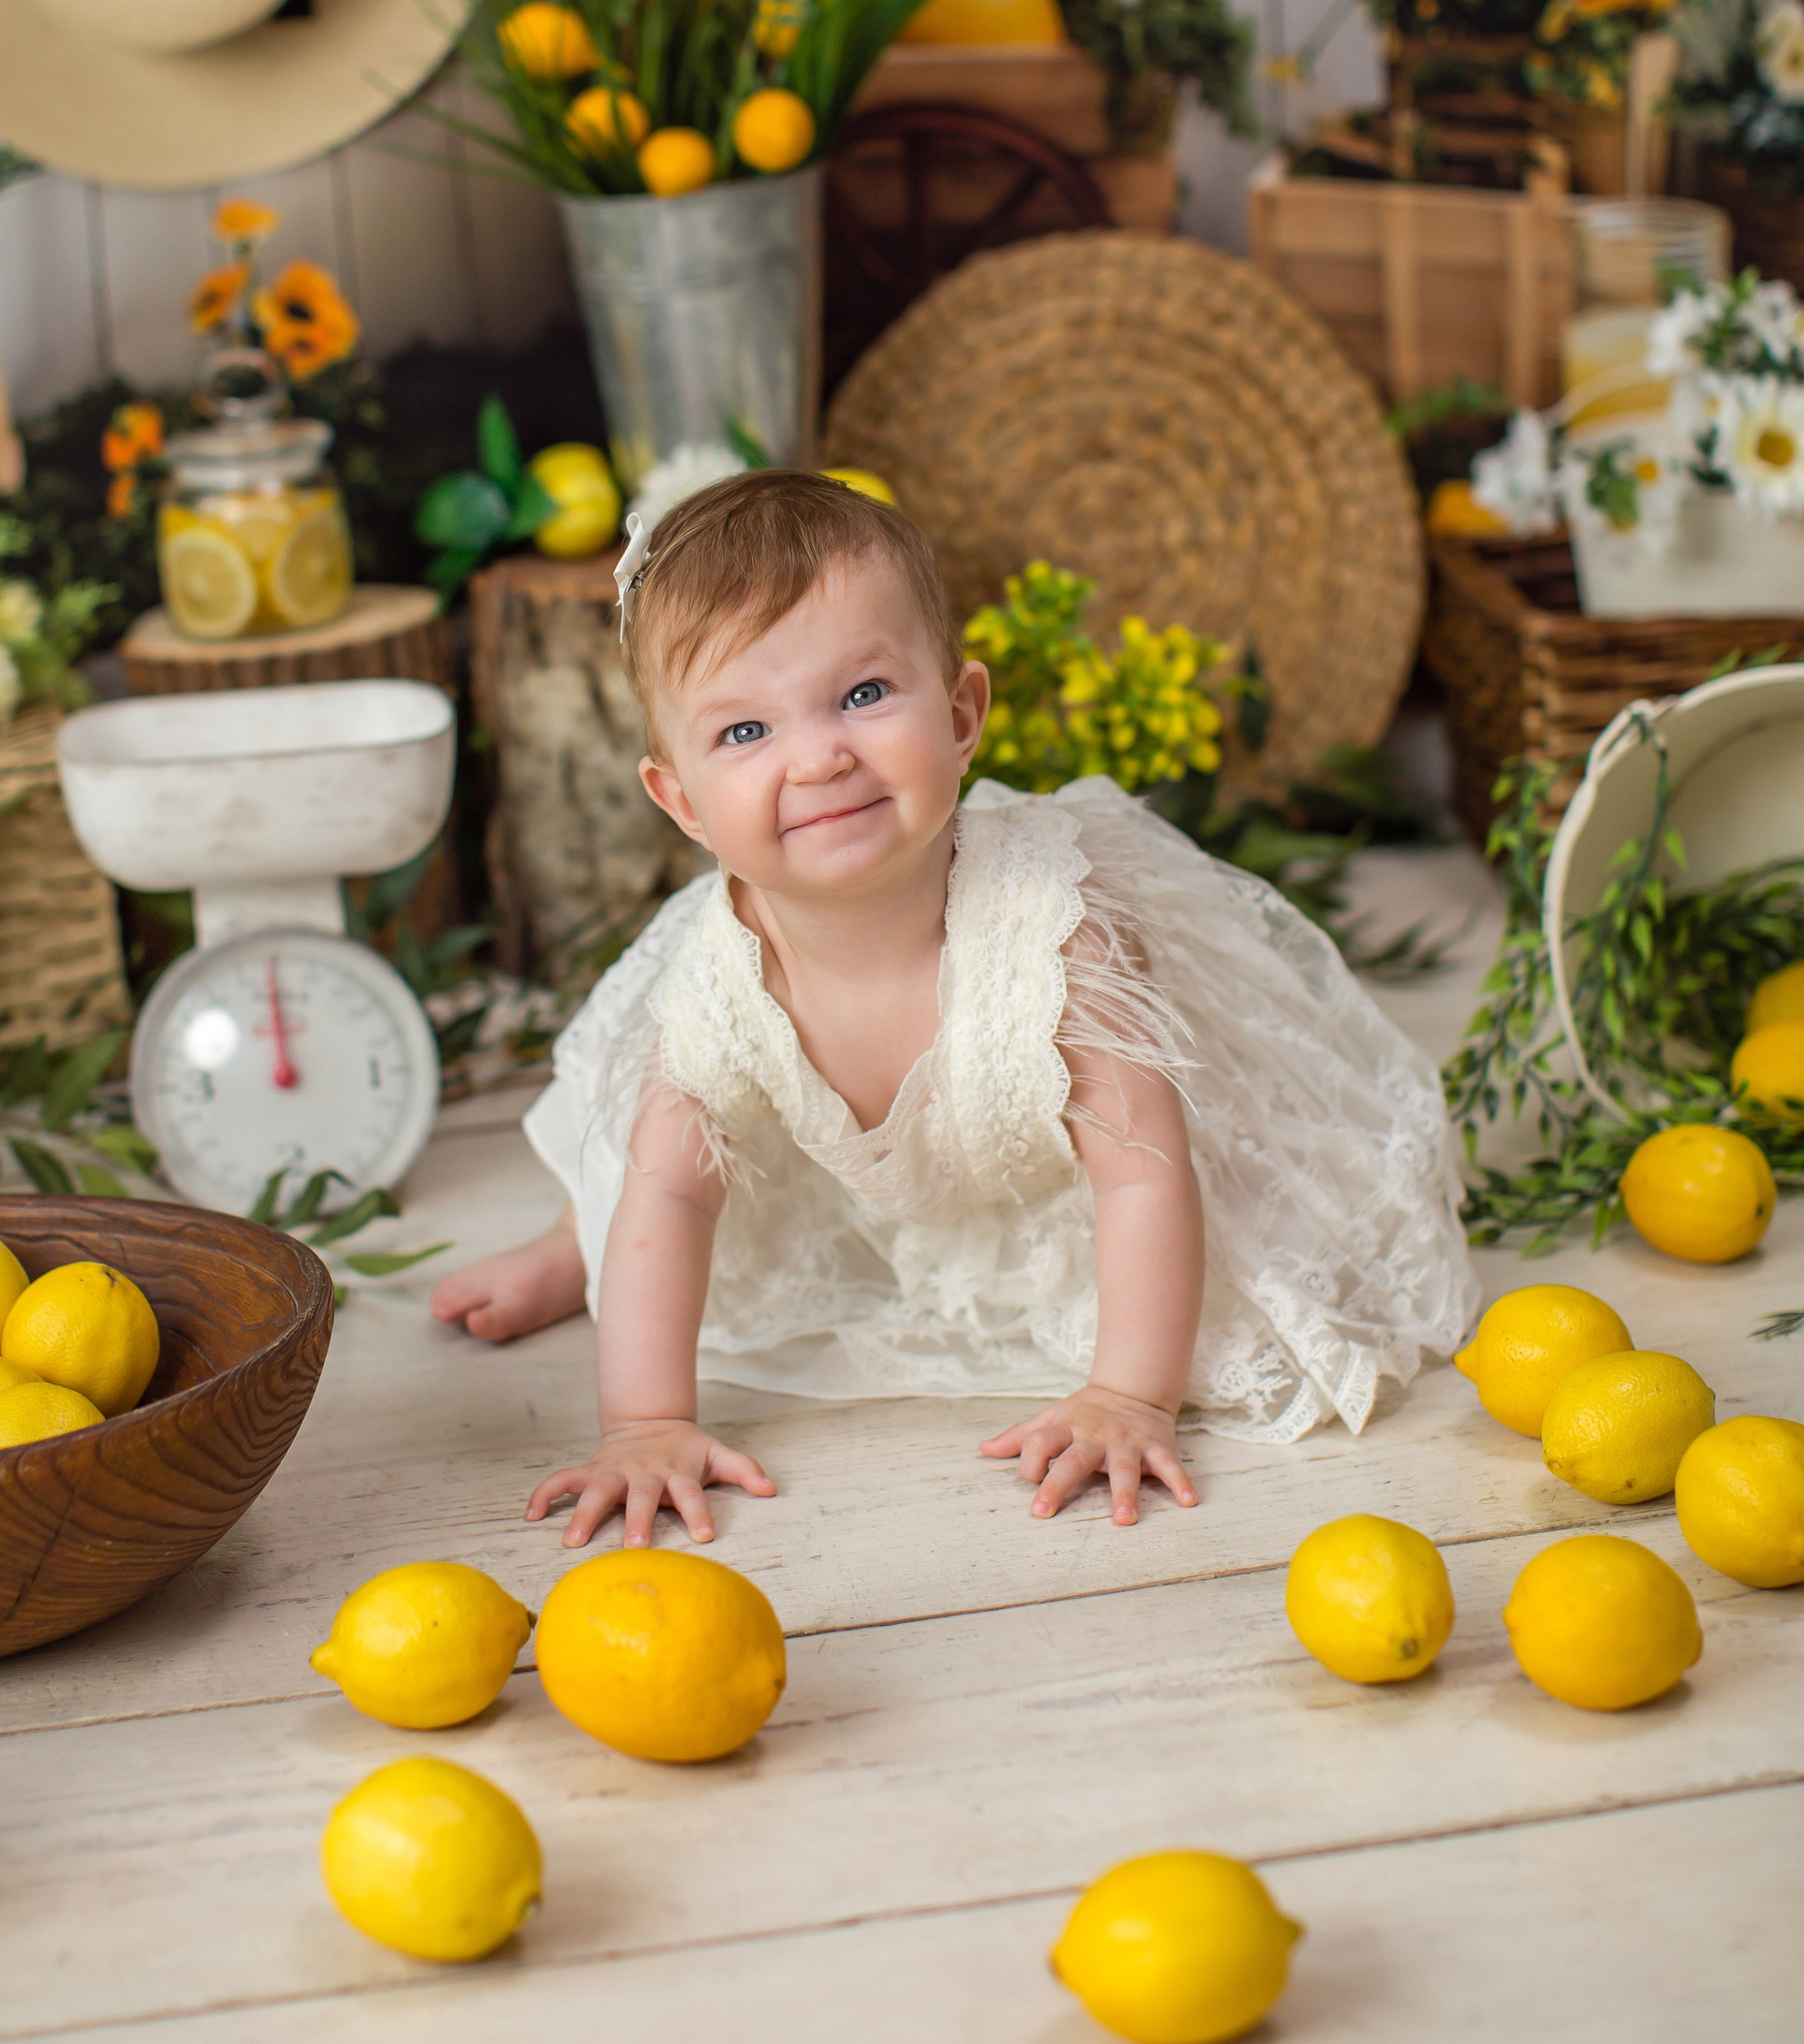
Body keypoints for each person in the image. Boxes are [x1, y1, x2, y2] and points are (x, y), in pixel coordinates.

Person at [431, 471, 1476, 1551]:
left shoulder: (1055, 933)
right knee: (639, 1144)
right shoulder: (719, 979)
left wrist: (1130, 1393)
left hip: (1049, 1164)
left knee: (1271, 1215)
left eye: (865, 694)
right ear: (684, 801)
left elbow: (1140, 1171)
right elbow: (673, 1202)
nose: (819, 754)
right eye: (745, 730)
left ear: (964, 712)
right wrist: (646, 1421)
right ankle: (569, 1241)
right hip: (833, 1147)